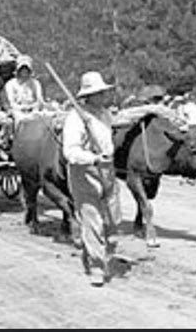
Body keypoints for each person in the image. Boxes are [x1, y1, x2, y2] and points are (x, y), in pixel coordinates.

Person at [62, 71, 122, 287]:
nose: (102, 96)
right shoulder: (76, 118)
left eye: (102, 92)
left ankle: (94, 250)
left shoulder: (105, 114)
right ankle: (97, 267)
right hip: (84, 173)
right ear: (88, 95)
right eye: (97, 93)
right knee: (93, 219)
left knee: (113, 219)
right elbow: (70, 152)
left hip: (107, 171)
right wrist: (94, 158)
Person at [4, 55, 44, 125]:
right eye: (22, 68)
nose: (24, 71)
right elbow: (11, 101)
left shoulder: (35, 83)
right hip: (17, 111)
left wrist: (33, 107)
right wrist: (22, 108)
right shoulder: (11, 84)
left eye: (26, 69)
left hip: (33, 110)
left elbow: (39, 99)